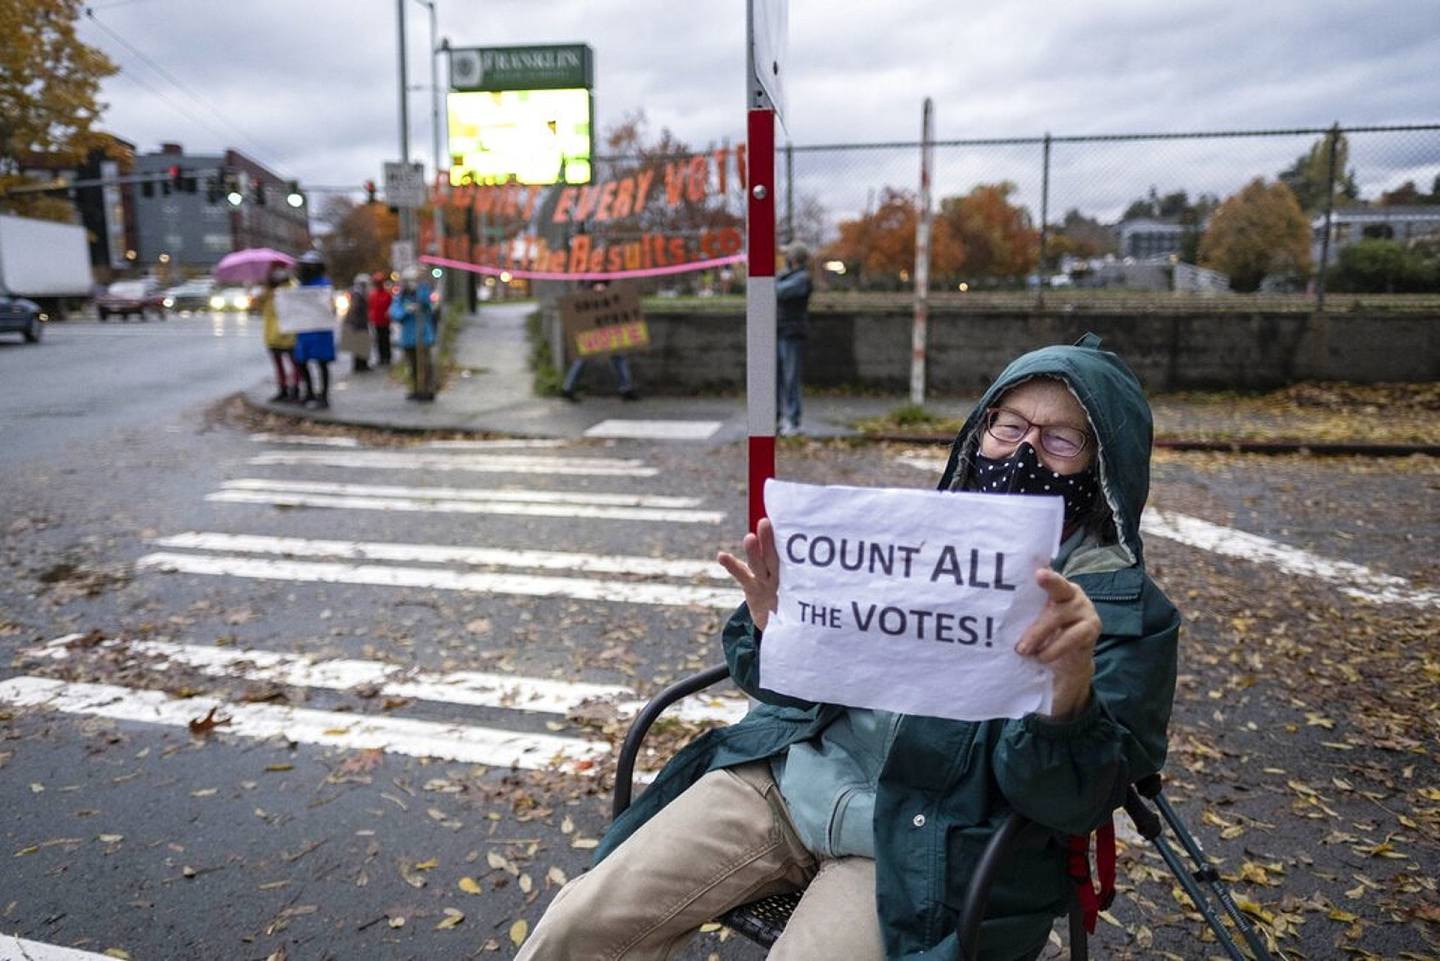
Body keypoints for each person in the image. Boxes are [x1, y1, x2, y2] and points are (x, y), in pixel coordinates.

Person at [516, 334, 1180, 961]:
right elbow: (775, 683)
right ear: (980, 429)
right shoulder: (910, 539)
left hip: (919, 842)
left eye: (1060, 439)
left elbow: (1078, 802)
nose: (1023, 452)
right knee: (576, 926)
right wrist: (777, 629)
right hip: (785, 779)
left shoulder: (1121, 611)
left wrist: (1066, 700)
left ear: (1103, 465)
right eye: (1007, 426)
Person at [560, 280, 639, 402]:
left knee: (612, 353)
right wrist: (594, 287)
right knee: (612, 354)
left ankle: (568, 387)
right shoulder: (592, 269)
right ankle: (626, 389)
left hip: (599, 308)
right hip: (595, 309)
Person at [291, 250, 336, 410]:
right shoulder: (301, 286)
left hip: (320, 331)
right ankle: (309, 391)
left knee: (321, 363)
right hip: (305, 331)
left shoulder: (324, 285)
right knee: (302, 362)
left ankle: (323, 396)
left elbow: (329, 307)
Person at [776, 242, 813, 436]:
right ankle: (779, 419)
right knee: (777, 379)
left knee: (790, 379)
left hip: (792, 333)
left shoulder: (801, 278)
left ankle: (793, 421)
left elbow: (779, 291)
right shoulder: (787, 275)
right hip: (781, 331)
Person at [389, 266, 436, 402]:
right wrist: (407, 310)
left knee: (425, 365)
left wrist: (421, 288)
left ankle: (427, 390)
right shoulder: (401, 297)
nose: (411, 284)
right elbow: (395, 313)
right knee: (413, 365)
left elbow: (428, 305)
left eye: (414, 281)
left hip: (423, 336)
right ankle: (416, 389)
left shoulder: (422, 293)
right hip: (409, 337)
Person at [259, 265, 299, 403]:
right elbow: (258, 304)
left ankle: (295, 389)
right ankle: (283, 389)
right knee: (279, 365)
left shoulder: (291, 289)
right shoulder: (269, 292)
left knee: (294, 364)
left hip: (288, 334)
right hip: (272, 335)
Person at [340, 273, 372, 373]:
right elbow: (355, 308)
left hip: (356, 322)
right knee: (360, 344)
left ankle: (361, 365)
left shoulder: (355, 292)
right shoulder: (358, 293)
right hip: (358, 322)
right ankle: (361, 365)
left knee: (359, 344)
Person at [367, 271, 393, 366]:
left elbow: (390, 306)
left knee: (385, 339)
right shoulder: (373, 294)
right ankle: (381, 357)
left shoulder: (386, 294)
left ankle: (387, 357)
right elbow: (371, 307)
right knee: (379, 340)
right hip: (377, 321)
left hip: (385, 321)